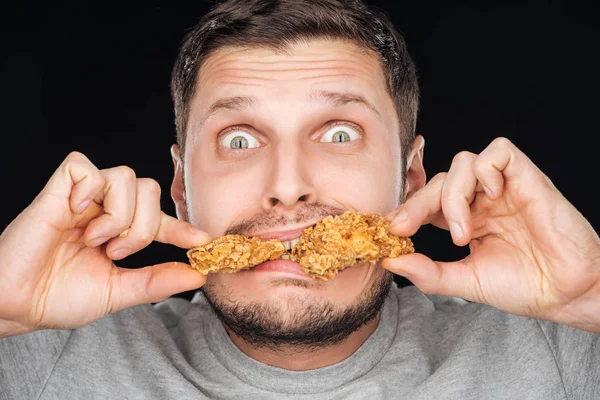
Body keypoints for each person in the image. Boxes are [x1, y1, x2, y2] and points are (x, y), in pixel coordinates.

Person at [1, 0, 599, 398]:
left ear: (412, 179)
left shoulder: (557, 342)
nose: (287, 184)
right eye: (239, 139)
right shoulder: (40, 358)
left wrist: (591, 295)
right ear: (182, 190)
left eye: (340, 134)